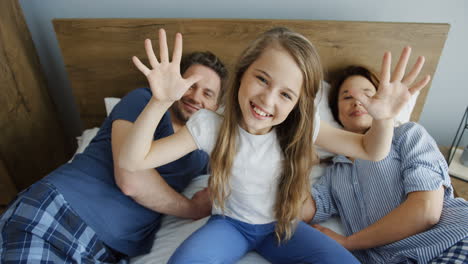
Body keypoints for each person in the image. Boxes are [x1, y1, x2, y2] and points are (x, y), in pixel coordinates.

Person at [120, 27, 429, 263]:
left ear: (297, 104)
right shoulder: (210, 125)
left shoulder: (303, 128)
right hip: (229, 225)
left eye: (286, 94)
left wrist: (385, 120)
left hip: (280, 228)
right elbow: (134, 161)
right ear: (242, 74)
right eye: (263, 79)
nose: (267, 100)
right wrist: (160, 102)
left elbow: (371, 150)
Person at [0, 51, 228, 262]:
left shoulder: (202, 152)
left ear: (216, 106)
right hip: (62, 214)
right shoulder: (143, 100)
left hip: (108, 250)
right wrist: (192, 208)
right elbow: (131, 179)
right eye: (190, 85)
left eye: (207, 93)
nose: (195, 97)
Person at [307, 65, 468, 263]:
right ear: (336, 113)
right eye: (347, 97)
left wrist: (349, 242)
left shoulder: (407, 135)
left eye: (368, 94)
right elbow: (301, 210)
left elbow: (426, 212)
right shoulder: (333, 172)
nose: (358, 101)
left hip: (450, 242)